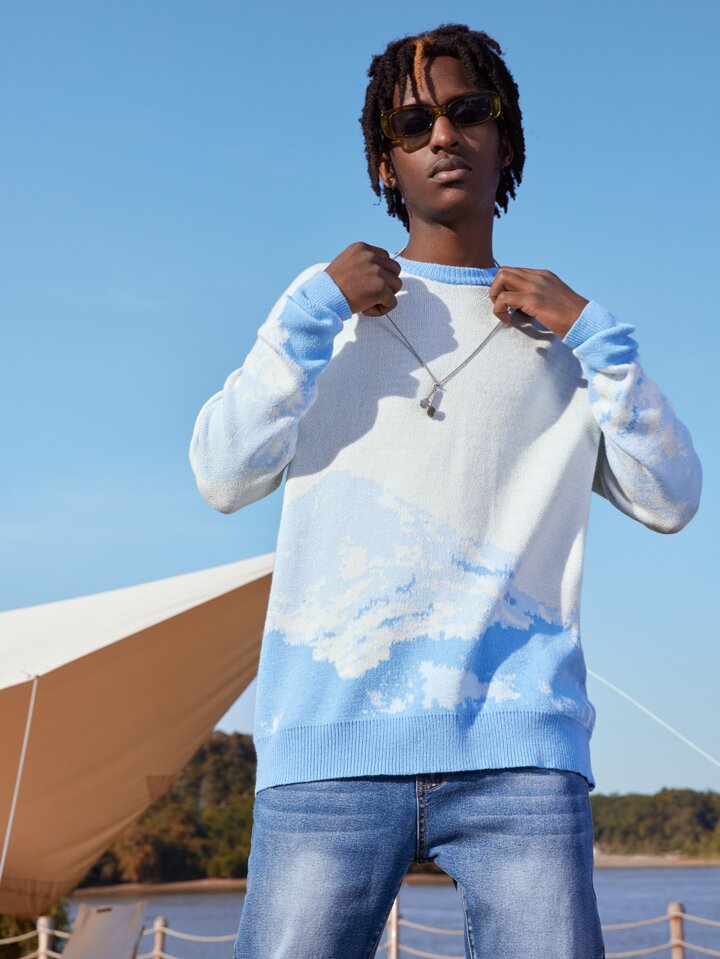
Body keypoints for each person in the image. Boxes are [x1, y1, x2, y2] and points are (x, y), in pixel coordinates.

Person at [189, 23, 702, 959]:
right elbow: (223, 475)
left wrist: (596, 334)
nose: (442, 135)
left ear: (506, 137)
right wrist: (312, 306)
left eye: (469, 110)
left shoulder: (562, 338)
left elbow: (671, 498)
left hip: (521, 755)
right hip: (328, 743)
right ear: (383, 161)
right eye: (413, 122)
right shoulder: (326, 316)